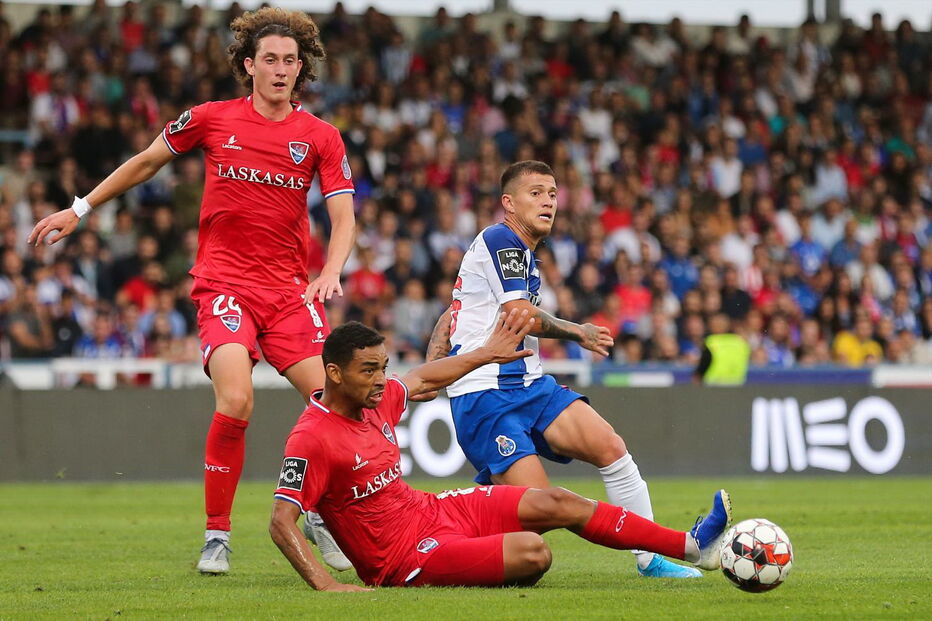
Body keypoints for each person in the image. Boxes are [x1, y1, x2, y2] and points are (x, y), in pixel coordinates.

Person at [28, 8, 356, 574]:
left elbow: (345, 218)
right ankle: (217, 536)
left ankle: (317, 510)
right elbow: (147, 161)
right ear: (249, 65)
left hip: (287, 294)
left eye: (290, 61)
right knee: (236, 399)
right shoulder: (209, 118)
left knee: (335, 403)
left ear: (301, 68)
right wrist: (80, 209)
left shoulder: (320, 137)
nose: (281, 70)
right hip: (225, 285)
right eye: (270, 60)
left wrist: (330, 269)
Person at [269, 315, 732, 589]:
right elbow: (279, 522)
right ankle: (471, 556)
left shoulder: (376, 400)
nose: (379, 380)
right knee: (535, 554)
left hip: (429, 511)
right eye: (368, 370)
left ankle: (694, 547)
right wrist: (328, 587)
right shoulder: (311, 437)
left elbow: (425, 379)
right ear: (332, 373)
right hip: (403, 557)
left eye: (382, 368)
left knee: (559, 502)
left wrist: (487, 353)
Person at [422, 160, 702, 578]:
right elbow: (520, 316)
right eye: (535, 193)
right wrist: (578, 332)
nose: (548, 201)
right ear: (508, 203)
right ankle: (436, 528)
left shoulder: (521, 255)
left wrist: (432, 365)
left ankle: (650, 559)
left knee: (610, 447)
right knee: (539, 512)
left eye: (552, 194)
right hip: (485, 394)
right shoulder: (502, 239)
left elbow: (456, 309)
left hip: (530, 384)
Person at [693, 312, 751, 385]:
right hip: (737, 384)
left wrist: (697, 375)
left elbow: (704, 362)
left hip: (714, 384)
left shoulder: (710, 342)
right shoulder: (741, 342)